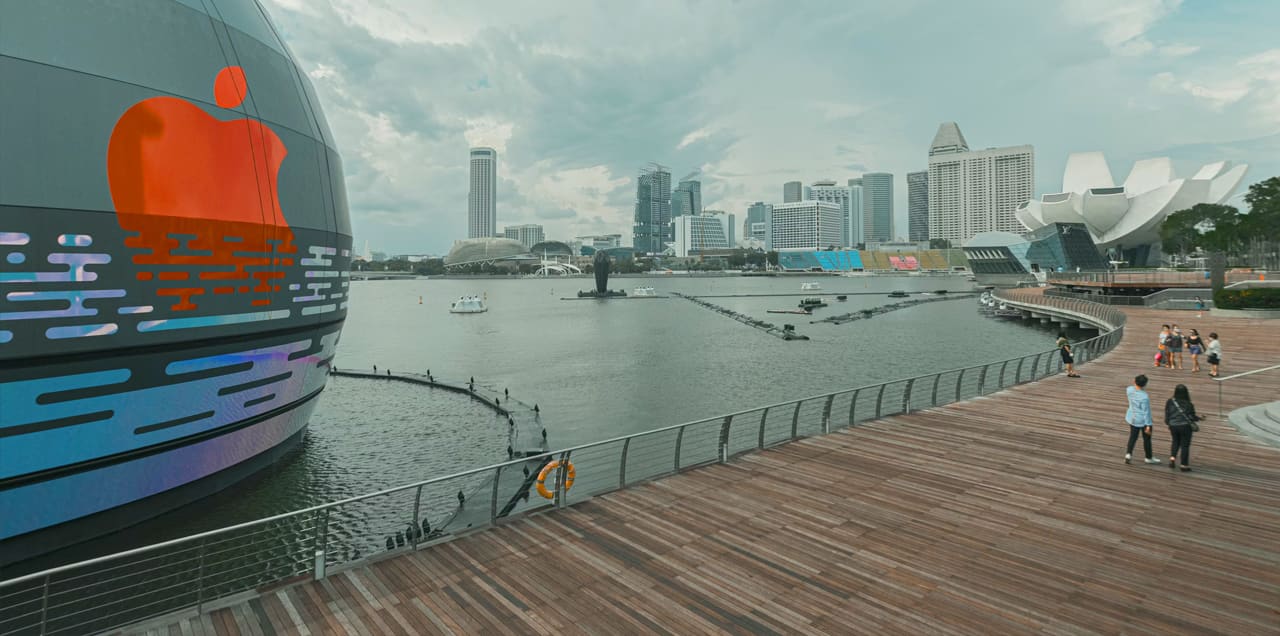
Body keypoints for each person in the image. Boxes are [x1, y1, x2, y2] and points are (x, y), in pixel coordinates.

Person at [1125, 374, 1160, 464]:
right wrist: (1148, 424)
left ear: (1134, 381)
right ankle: (1148, 457)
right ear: (1145, 384)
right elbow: (1146, 412)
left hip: (1132, 417)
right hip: (1142, 420)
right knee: (1147, 439)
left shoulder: (1129, 390)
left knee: (1133, 437)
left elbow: (1132, 387)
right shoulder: (1144, 396)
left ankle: (1128, 454)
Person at [1164, 384, 1200, 472]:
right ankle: (1184, 464)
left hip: (1173, 425)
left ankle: (1172, 458)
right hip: (1185, 426)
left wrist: (1168, 422)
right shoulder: (1188, 404)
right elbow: (1191, 417)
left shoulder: (1170, 401)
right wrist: (1198, 418)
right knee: (1185, 445)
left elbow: (1167, 413)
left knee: (1175, 441)